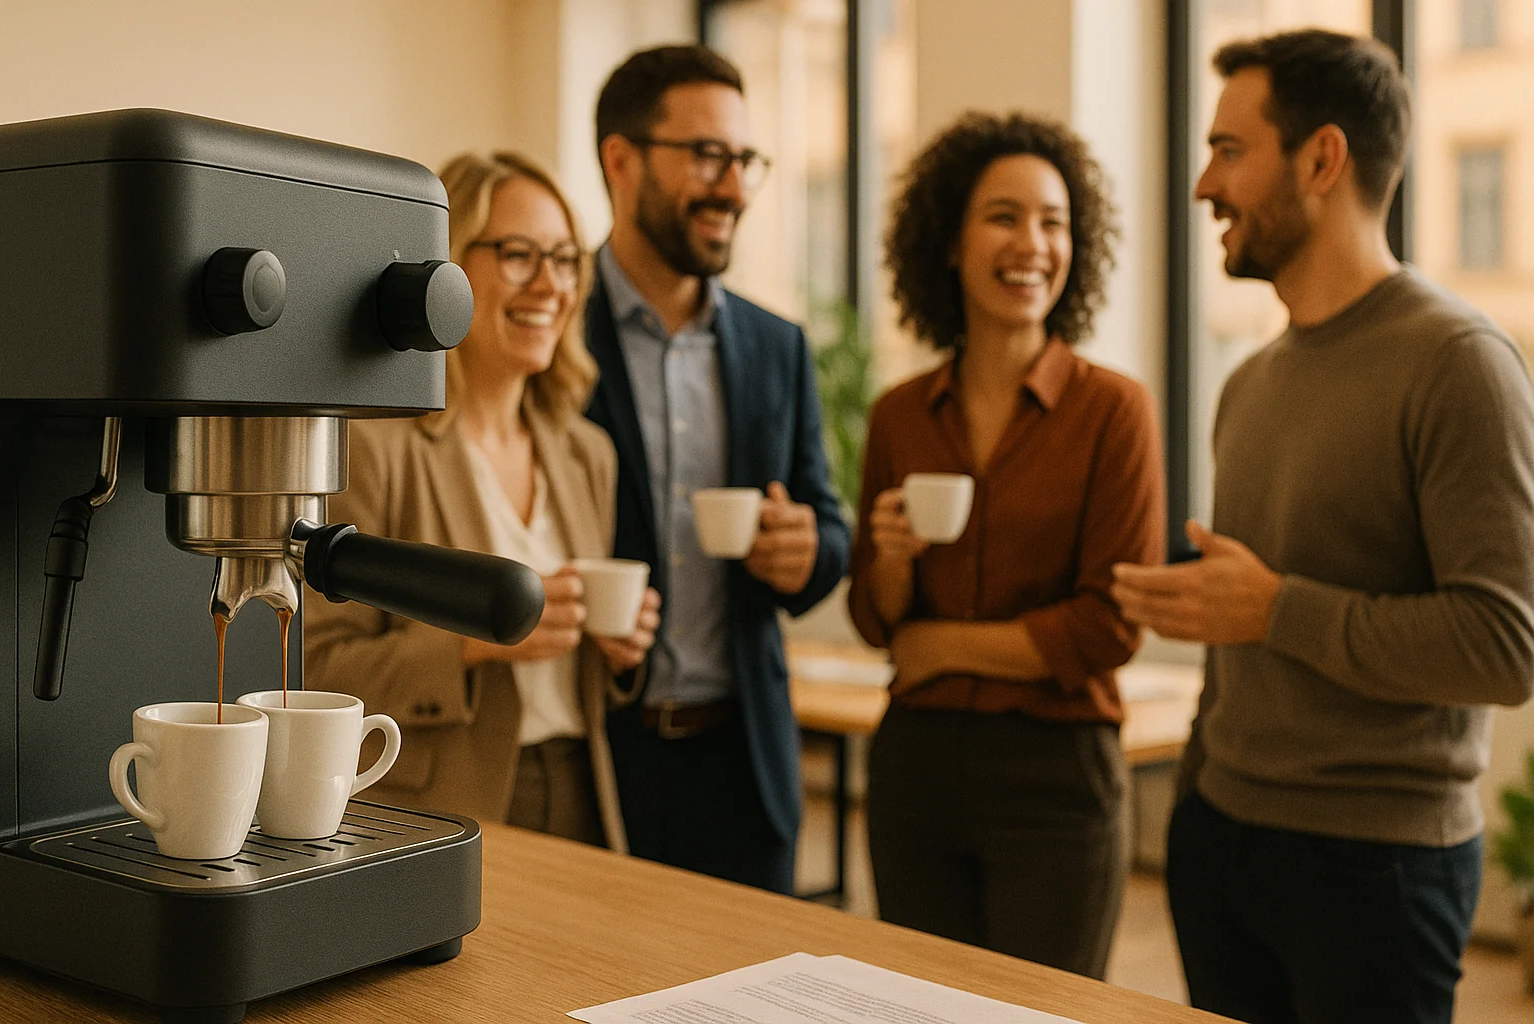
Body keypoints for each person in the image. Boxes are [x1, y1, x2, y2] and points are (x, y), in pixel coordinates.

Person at [1110, 30, 1534, 1024]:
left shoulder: (1459, 361)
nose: (1205, 183)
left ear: (1322, 158)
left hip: (1377, 869)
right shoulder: (1251, 380)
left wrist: (1272, 610)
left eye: (1229, 149)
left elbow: (1504, 647)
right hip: (1220, 838)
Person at [845, 111, 1165, 977]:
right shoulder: (900, 415)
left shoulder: (1115, 413)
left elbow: (1108, 627)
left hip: (1056, 776)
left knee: (1043, 1011)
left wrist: (942, 644)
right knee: (918, 1004)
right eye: (1003, 216)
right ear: (949, 242)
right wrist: (895, 565)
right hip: (914, 769)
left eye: (1053, 221)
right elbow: (878, 624)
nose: (1033, 242)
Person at [305, 151, 661, 851]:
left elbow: (575, 669)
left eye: (564, 259)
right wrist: (470, 645)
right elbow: (315, 671)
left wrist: (620, 649)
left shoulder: (588, 453)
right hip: (443, 804)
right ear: (449, 269)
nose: (550, 284)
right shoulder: (377, 449)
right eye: (519, 254)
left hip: (585, 788)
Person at [583, 44, 850, 894]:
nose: (732, 186)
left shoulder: (779, 348)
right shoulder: (548, 335)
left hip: (746, 770)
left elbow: (828, 524)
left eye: (743, 159)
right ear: (620, 160)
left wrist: (809, 552)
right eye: (706, 156)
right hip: (597, 757)